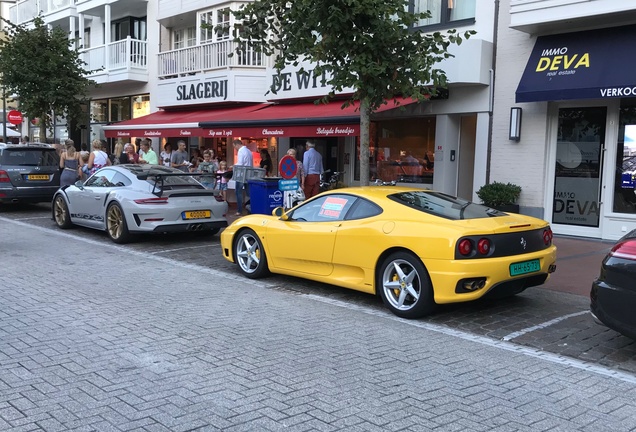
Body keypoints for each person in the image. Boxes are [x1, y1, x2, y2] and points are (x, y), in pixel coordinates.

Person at [232, 139, 253, 215]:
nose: (235, 149)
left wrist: (233, 166)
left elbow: (240, 163)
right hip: (248, 173)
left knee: (238, 192)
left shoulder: (241, 151)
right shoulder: (248, 151)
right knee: (249, 193)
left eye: (234, 147)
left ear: (236, 144)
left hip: (241, 174)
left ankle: (239, 210)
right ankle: (252, 207)